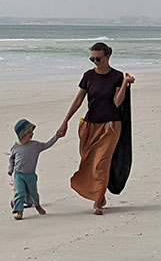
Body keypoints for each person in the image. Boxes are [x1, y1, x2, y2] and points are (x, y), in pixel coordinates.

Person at [56, 43, 135, 215]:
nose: (95, 61)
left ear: (108, 57)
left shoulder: (116, 76)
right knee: (88, 162)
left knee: (101, 163)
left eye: (98, 58)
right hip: (90, 125)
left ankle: (98, 201)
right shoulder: (88, 76)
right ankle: (100, 193)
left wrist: (125, 84)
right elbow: (78, 100)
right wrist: (65, 121)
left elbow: (117, 102)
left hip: (111, 126)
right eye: (92, 58)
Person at [8, 118, 61, 220]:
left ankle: (37, 205)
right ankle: (19, 212)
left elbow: (47, 144)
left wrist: (57, 136)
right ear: (22, 134)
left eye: (32, 131)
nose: (32, 133)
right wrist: (10, 169)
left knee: (33, 193)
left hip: (30, 175)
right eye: (29, 132)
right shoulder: (15, 148)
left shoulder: (35, 145)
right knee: (19, 192)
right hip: (18, 175)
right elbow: (11, 159)